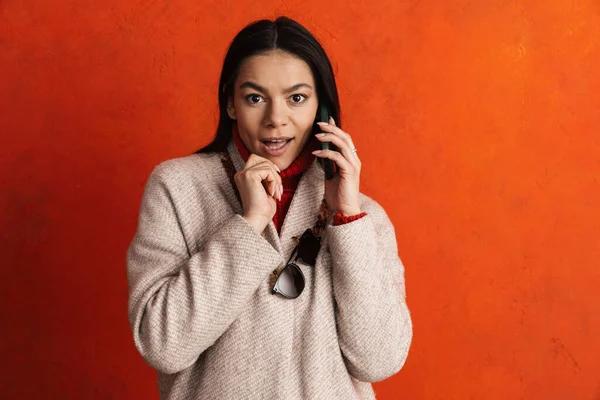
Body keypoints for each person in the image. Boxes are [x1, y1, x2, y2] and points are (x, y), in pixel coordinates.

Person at [126, 16, 412, 400]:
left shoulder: (363, 217)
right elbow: (163, 344)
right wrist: (250, 223)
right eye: (255, 97)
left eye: (297, 98)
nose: (276, 118)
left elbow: (381, 360)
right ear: (230, 103)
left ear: (322, 107)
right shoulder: (178, 188)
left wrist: (347, 218)